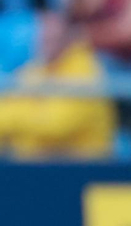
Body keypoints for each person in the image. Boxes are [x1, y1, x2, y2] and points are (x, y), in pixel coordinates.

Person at [0, 9, 114, 159]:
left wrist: (19, 115)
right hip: (34, 166)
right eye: (43, 37)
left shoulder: (85, 69)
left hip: (83, 168)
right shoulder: (36, 69)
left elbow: (57, 124)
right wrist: (32, 113)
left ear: (68, 38)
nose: (46, 43)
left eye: (53, 38)